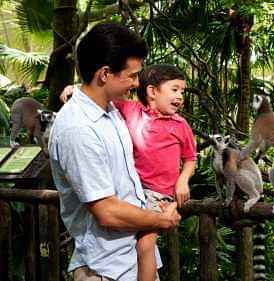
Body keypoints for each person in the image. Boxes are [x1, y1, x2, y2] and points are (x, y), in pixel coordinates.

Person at [49, 22, 181, 281]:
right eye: (131, 76)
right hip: (105, 269)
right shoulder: (78, 128)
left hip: (133, 258)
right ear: (105, 74)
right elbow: (106, 211)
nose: (135, 84)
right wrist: (160, 221)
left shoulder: (111, 112)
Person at [61, 64, 197, 281]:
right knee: (133, 240)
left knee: (145, 245)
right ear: (152, 92)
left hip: (157, 194)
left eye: (182, 91)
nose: (180, 95)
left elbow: (190, 158)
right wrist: (75, 89)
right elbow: (98, 95)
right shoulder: (131, 111)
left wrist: (183, 181)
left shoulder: (180, 125)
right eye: (174, 89)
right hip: (131, 193)